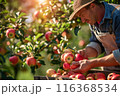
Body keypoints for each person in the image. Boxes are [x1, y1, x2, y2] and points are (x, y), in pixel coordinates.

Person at [69, 0, 120, 73]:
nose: (83, 20)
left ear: (92, 6)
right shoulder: (93, 20)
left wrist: (92, 63)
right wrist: (85, 52)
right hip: (111, 72)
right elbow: (98, 43)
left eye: (82, 15)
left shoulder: (117, 16)